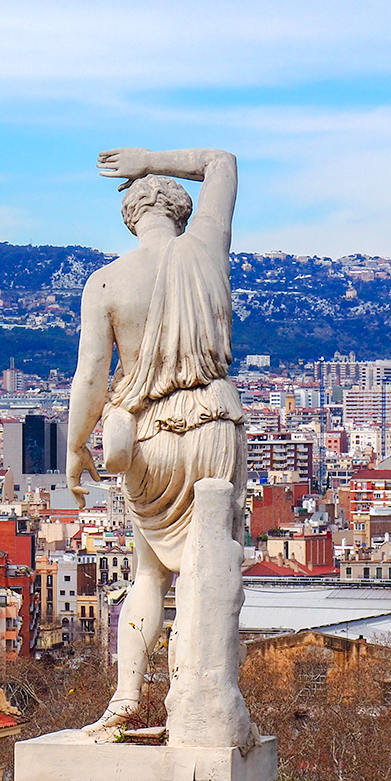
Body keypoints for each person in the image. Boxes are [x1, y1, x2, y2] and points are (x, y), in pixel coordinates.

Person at [67, 147, 245, 730]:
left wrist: (75, 446)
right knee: (209, 567)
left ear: (130, 215)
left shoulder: (107, 282)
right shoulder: (207, 252)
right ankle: (191, 697)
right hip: (216, 422)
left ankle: (124, 700)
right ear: (181, 211)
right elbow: (222, 161)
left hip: (150, 434)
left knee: (149, 573)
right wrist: (152, 156)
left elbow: (91, 375)